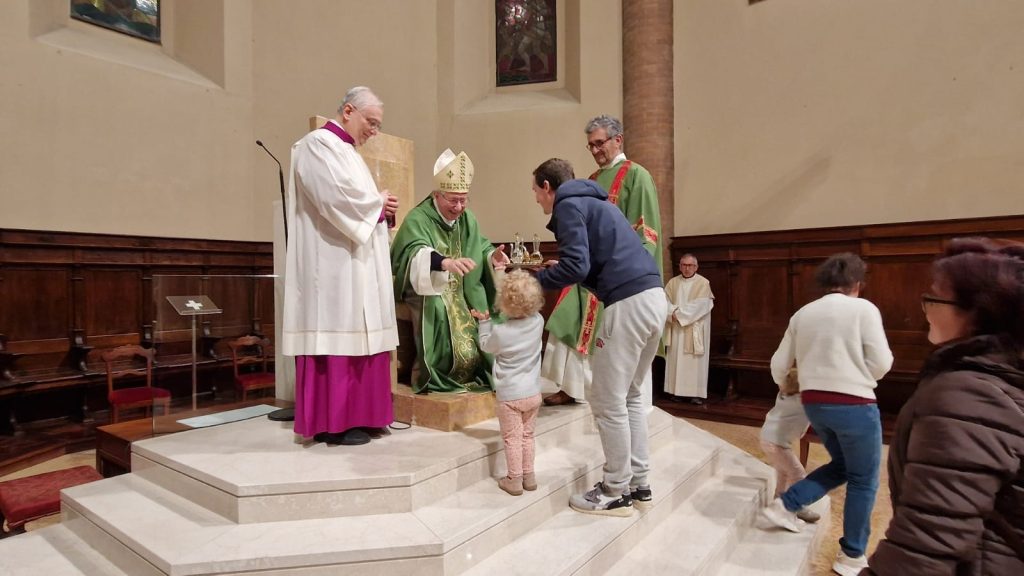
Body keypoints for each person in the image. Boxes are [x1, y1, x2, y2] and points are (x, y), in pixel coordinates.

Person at [865, 238, 1024, 575]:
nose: (924, 307)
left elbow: (923, 550)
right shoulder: (1003, 373)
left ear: (979, 313)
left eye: (933, 297)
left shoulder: (970, 394)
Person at [532, 158, 667, 517]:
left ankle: (614, 489)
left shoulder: (568, 206)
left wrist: (535, 281)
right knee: (633, 397)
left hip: (628, 304)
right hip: (654, 297)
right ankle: (640, 485)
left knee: (607, 402)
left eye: (536, 191)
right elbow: (592, 262)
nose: (537, 200)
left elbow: (575, 266)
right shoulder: (598, 202)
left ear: (548, 187)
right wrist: (554, 270)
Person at [760, 253, 893, 576]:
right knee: (864, 479)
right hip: (855, 402)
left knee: (845, 466)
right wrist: (861, 377)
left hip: (814, 401)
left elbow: (779, 365)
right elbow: (882, 361)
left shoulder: (803, 313)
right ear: (857, 284)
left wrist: (792, 385)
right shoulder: (864, 309)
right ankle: (851, 555)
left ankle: (787, 503)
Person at [282, 86, 400, 446]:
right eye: (371, 123)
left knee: (365, 335)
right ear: (348, 111)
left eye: (378, 125)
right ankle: (336, 422)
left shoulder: (347, 151)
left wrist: (380, 210)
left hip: (357, 264)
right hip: (331, 267)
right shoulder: (316, 145)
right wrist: (377, 203)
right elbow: (335, 198)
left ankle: (367, 415)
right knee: (338, 332)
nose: (374, 132)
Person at [542, 115, 663, 408]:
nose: (595, 150)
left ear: (617, 140)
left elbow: (646, 232)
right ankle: (571, 386)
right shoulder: (592, 182)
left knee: (619, 391)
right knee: (566, 311)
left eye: (600, 143)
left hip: (622, 275)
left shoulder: (637, 175)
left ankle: (607, 394)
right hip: (592, 267)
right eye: (590, 146)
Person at [391, 149, 511, 394]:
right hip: (428, 287)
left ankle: (480, 370)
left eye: (463, 200)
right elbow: (410, 252)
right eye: (453, 200)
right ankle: (435, 373)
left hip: (464, 289)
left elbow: (482, 245)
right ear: (437, 195)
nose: (459, 207)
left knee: (483, 308)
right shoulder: (418, 218)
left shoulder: (468, 219)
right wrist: (444, 263)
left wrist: (492, 257)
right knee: (437, 307)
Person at [470, 270, 545, 496]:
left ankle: (514, 479)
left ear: (503, 301)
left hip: (511, 396)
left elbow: (485, 345)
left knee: (512, 438)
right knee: (527, 436)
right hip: (533, 393)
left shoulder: (501, 333)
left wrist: (484, 323)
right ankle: (529, 476)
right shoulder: (538, 321)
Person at [758, 367, 819, 523]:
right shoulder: (803, 402)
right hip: (777, 443)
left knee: (783, 471)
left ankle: (778, 499)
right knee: (798, 473)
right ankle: (795, 505)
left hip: (767, 438)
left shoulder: (784, 395)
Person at [663, 254, 714, 404]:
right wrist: (671, 312)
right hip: (677, 329)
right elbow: (664, 301)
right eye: (684, 265)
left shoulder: (703, 283)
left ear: (696, 267)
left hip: (694, 329)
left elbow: (702, 305)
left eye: (690, 265)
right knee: (677, 360)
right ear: (679, 266)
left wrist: (678, 314)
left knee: (694, 363)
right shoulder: (673, 283)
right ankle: (676, 392)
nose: (687, 268)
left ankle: (695, 393)